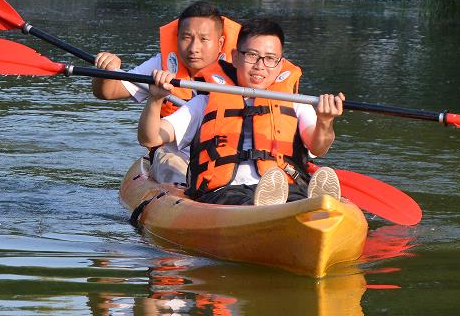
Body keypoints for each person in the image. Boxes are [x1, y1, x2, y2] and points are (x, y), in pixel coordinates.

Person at [137, 17, 343, 206]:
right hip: (224, 193)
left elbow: (319, 147)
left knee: (294, 196)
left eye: (270, 58)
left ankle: (312, 205)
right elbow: (150, 138)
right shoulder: (204, 103)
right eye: (252, 55)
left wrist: (325, 121)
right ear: (235, 57)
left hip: (287, 189)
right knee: (246, 201)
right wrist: (155, 100)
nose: (260, 66)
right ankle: (275, 209)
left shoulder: (296, 104)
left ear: (280, 64)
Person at [91, 2, 241, 184]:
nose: (194, 48)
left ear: (220, 43)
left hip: (223, 157)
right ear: (177, 38)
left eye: (203, 39)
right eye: (187, 37)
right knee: (173, 164)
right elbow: (108, 92)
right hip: (173, 154)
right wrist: (105, 72)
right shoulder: (163, 65)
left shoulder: (240, 71)